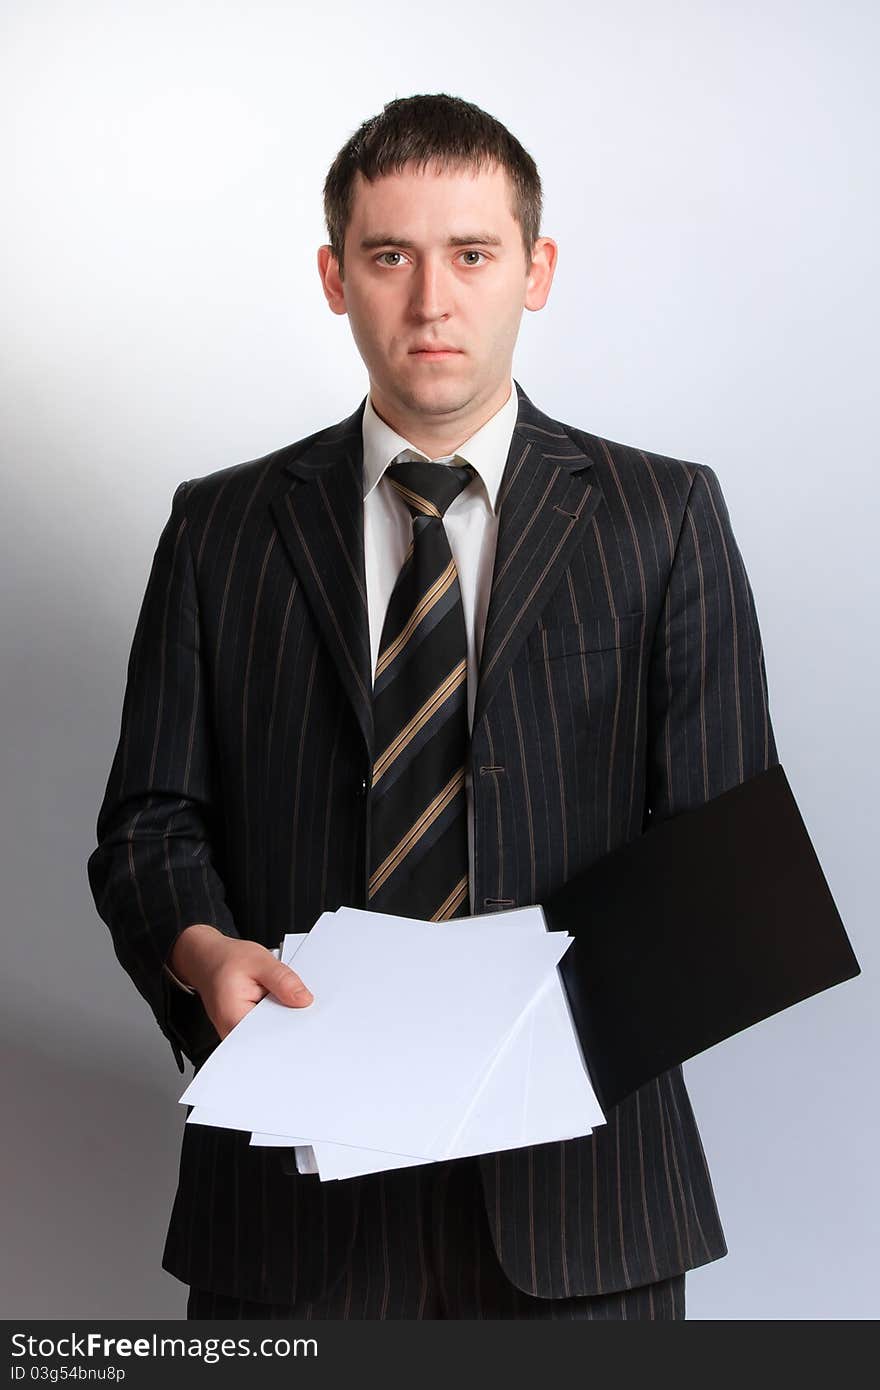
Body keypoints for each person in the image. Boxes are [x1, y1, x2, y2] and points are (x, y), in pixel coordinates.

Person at [87, 92, 777, 1321]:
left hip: (584, 1203)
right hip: (289, 1206)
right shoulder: (221, 527)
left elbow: (723, 853)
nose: (431, 299)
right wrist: (199, 955)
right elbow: (146, 824)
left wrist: (551, 1035)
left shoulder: (661, 517)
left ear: (536, 269)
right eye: (389, 256)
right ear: (333, 275)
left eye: (471, 254)